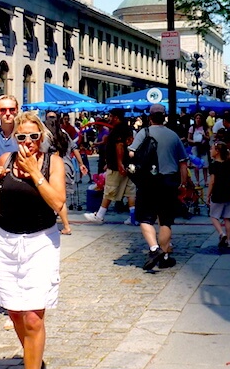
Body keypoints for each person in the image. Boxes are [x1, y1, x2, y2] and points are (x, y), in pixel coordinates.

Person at [0, 111, 66, 369]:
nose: (29, 142)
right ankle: (33, 356)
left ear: (42, 137)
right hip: (8, 242)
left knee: (33, 316)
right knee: (15, 312)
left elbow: (58, 202)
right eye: (22, 137)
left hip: (40, 242)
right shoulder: (4, 161)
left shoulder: (52, 162)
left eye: (34, 136)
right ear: (15, 138)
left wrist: (35, 173)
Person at [129, 104, 189, 270]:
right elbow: (183, 163)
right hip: (169, 182)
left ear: (150, 117)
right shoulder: (173, 136)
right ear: (165, 117)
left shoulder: (143, 133)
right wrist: (183, 183)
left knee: (144, 217)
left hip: (148, 181)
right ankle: (164, 255)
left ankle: (154, 249)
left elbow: (131, 153)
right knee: (166, 221)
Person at [83, 108, 136, 225]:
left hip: (118, 166)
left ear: (116, 117)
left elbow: (120, 146)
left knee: (109, 189)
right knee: (130, 191)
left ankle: (100, 215)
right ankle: (133, 216)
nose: (109, 118)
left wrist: (119, 163)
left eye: (111, 116)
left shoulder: (118, 130)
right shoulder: (127, 128)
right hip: (127, 164)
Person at [43, 111, 87, 235]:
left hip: (53, 169)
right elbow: (74, 148)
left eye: (51, 118)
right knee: (60, 198)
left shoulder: (45, 135)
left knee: (54, 198)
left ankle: (65, 225)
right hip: (66, 168)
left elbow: (45, 152)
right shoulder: (63, 133)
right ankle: (58, 222)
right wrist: (80, 164)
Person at [207, 141, 230, 250]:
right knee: (227, 218)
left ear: (217, 152)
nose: (210, 151)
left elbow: (212, 181)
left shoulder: (213, 165)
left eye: (212, 149)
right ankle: (229, 241)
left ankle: (221, 233)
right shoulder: (229, 164)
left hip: (217, 193)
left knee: (213, 216)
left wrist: (208, 195)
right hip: (229, 193)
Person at [187, 113, 210, 185]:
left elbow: (208, 137)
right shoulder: (192, 128)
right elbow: (188, 138)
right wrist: (193, 141)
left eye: (200, 118)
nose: (198, 120)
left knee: (205, 165)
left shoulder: (205, 128)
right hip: (195, 147)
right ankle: (197, 181)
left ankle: (206, 180)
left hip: (203, 147)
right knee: (196, 165)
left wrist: (204, 136)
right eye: (197, 118)